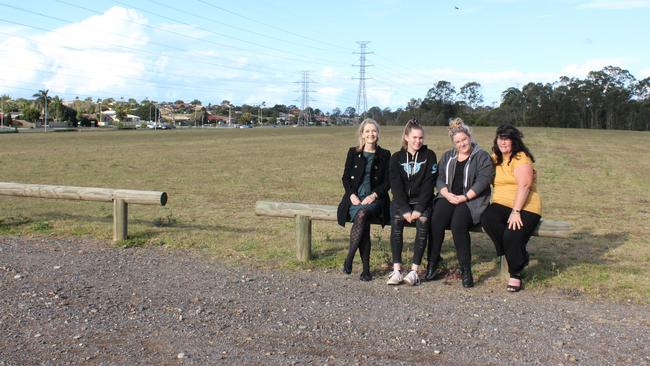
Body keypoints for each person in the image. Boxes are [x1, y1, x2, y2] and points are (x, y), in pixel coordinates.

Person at [427, 118, 494, 287]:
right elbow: (439, 178)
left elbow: (483, 181)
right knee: (436, 220)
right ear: (453, 143)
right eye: (458, 142)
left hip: (472, 200)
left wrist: (464, 197)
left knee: (458, 224)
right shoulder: (448, 156)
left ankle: (466, 270)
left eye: (464, 140)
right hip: (449, 197)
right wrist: (446, 194)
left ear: (469, 137)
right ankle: (432, 263)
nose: (462, 144)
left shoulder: (481, 156)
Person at [481, 124, 542, 292]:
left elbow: (525, 185)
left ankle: (515, 273)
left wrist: (516, 212)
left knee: (511, 233)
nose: (503, 142)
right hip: (501, 203)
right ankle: (517, 255)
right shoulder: (496, 158)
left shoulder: (521, 158)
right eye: (500, 138)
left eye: (507, 138)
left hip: (526, 206)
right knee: (487, 220)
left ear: (514, 141)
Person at [337, 118, 391, 281]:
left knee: (362, 215)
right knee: (363, 221)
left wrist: (373, 195)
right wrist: (352, 195)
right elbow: (346, 178)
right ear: (362, 134)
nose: (370, 134)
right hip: (355, 198)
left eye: (373, 131)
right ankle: (366, 270)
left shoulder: (385, 154)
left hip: (376, 199)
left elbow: (387, 182)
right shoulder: (353, 152)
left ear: (378, 134)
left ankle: (349, 258)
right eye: (367, 131)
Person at [386, 119, 438, 286]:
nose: (418, 141)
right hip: (402, 202)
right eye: (414, 137)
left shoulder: (429, 156)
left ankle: (414, 271)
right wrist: (405, 210)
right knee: (396, 223)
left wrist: (419, 209)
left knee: (423, 223)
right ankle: (397, 270)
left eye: (421, 138)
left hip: (422, 202)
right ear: (406, 137)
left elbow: (429, 184)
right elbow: (396, 186)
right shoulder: (396, 158)